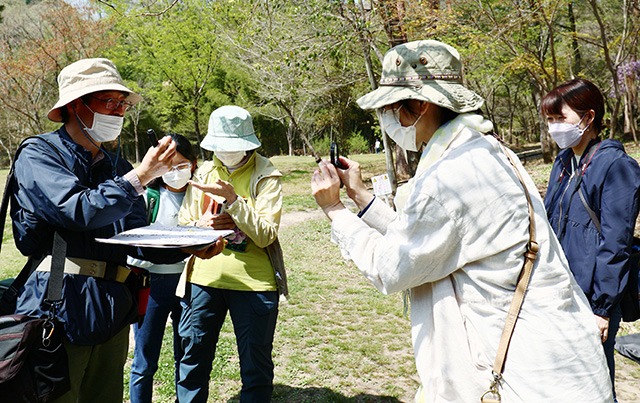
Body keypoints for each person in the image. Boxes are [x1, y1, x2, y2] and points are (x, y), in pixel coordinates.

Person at [310, 40, 613, 402]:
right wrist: (361, 197)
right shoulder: (484, 151)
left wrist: (334, 209)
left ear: (421, 105)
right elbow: (433, 242)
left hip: (529, 378)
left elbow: (391, 267)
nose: (389, 119)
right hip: (558, 360)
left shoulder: (451, 176)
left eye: (392, 108)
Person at [10, 58, 222, 403]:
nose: (120, 111)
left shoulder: (117, 167)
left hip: (111, 308)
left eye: (123, 104)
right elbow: (77, 209)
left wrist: (191, 244)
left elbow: (138, 238)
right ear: (76, 105)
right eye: (111, 102)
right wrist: (141, 177)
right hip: (58, 306)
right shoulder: (39, 154)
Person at [176, 105, 287, 403]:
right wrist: (200, 226)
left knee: (256, 367)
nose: (225, 154)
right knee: (192, 358)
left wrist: (234, 201)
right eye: (220, 148)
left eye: (232, 148)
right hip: (204, 281)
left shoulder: (266, 175)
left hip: (253, 285)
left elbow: (265, 234)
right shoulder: (205, 171)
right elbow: (184, 223)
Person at [541, 78, 640, 401]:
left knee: (594, 383)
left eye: (561, 119)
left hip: (593, 299)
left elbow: (616, 244)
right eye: (550, 120)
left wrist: (601, 308)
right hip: (558, 291)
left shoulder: (617, 167)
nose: (554, 127)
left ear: (588, 118)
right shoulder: (564, 162)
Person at [128, 133, 198, 403]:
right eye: (169, 166)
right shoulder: (146, 195)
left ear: (193, 164)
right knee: (144, 360)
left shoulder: (202, 195)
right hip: (149, 285)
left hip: (188, 284)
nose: (175, 172)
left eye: (181, 165)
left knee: (187, 354)